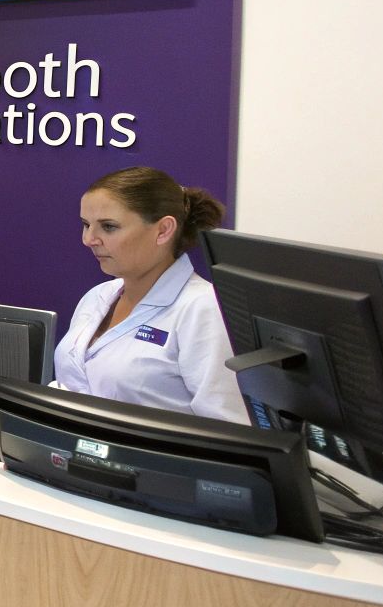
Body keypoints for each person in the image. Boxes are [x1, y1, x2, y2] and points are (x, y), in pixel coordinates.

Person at [53, 166, 247, 422]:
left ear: (164, 230)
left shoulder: (204, 308)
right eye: (86, 225)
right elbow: (75, 384)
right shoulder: (98, 296)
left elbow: (229, 428)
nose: (89, 239)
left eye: (108, 227)